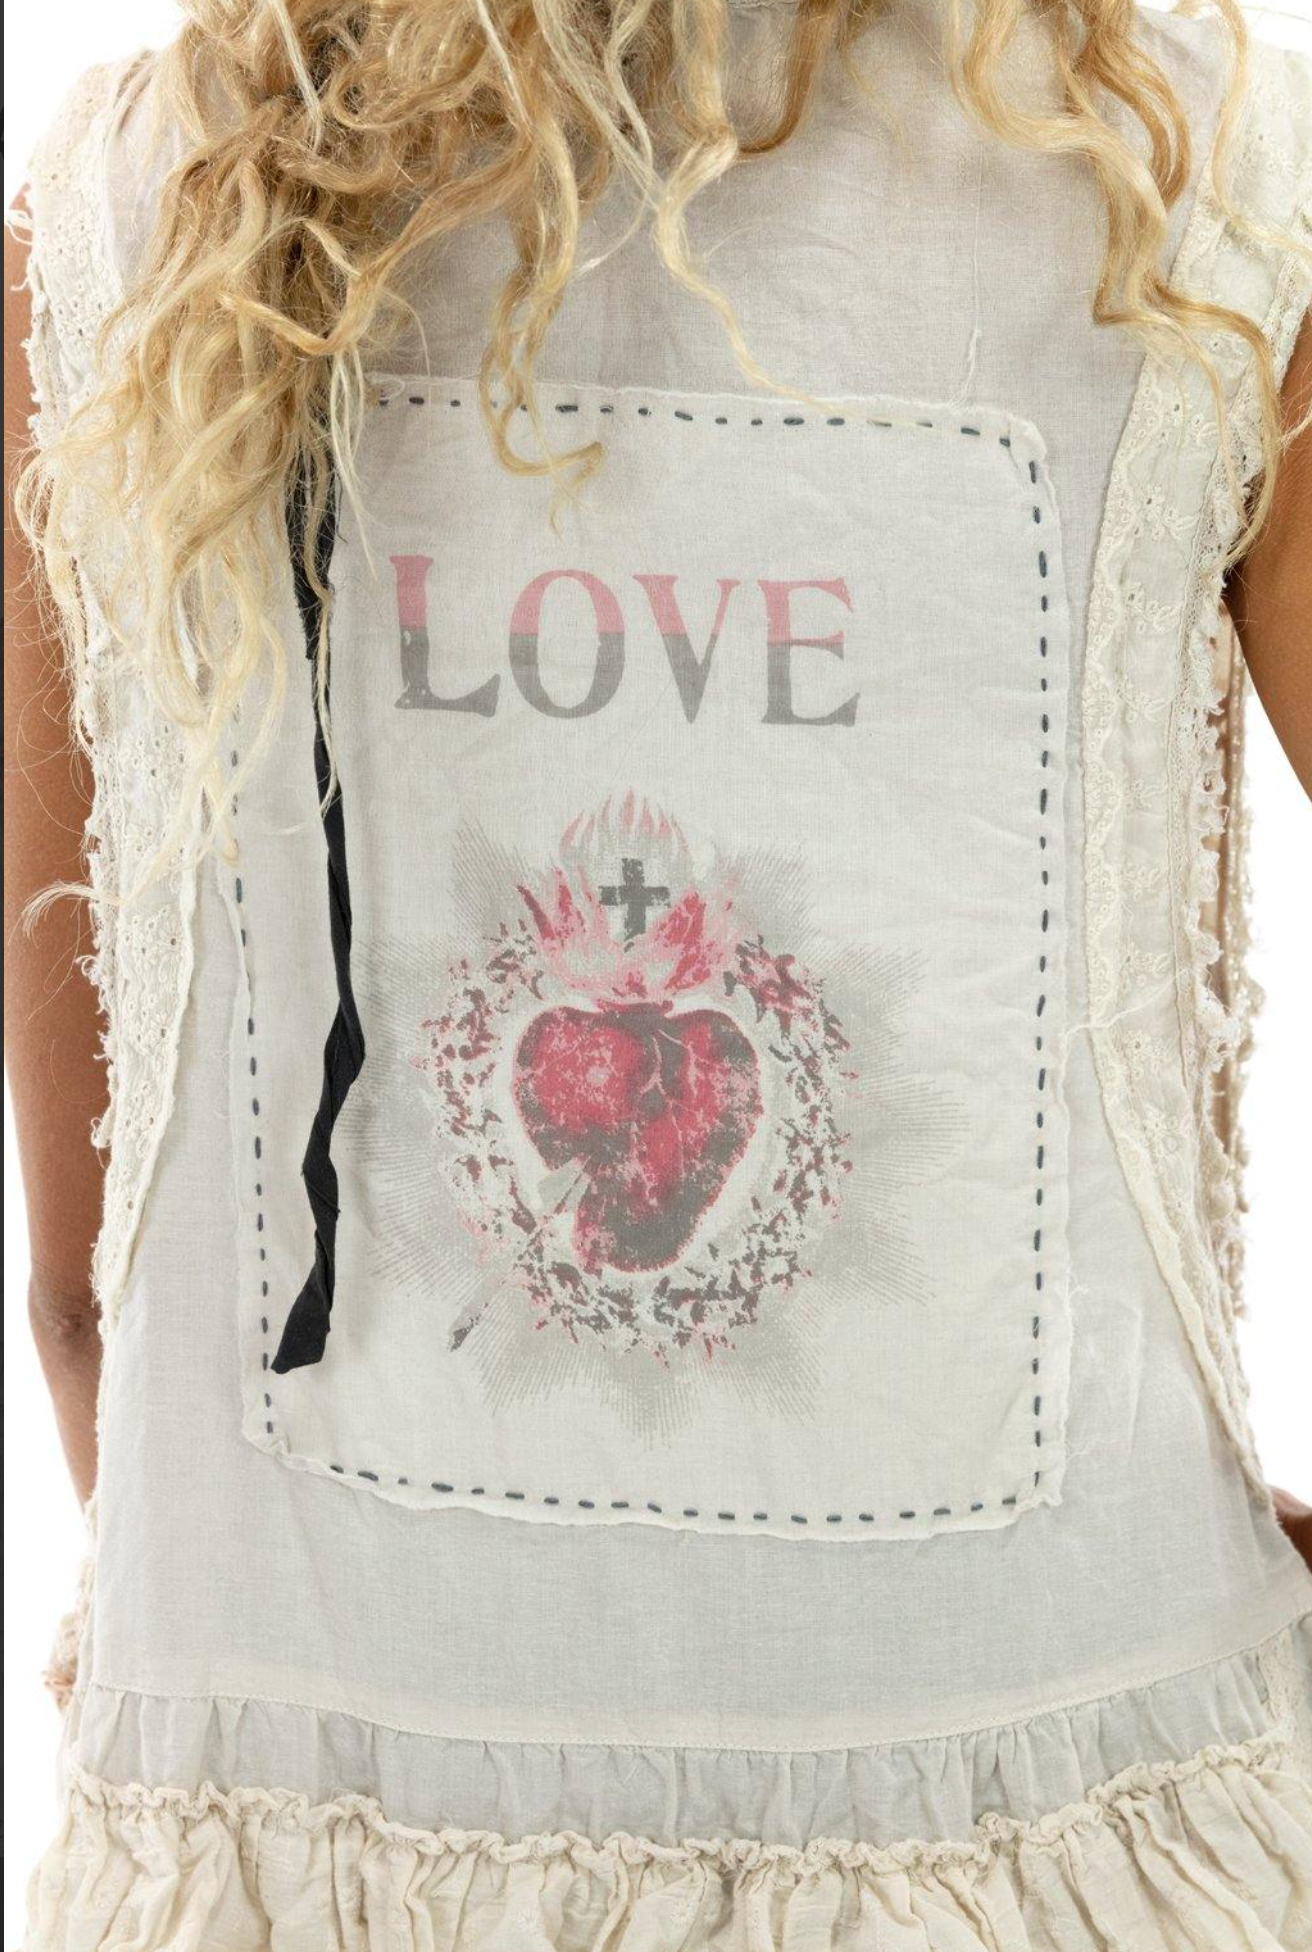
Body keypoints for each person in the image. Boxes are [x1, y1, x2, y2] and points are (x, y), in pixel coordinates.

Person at [5, 0, 1311, 1945]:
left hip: (296, 1851)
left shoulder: (137, 223)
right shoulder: (1184, 196)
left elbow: (87, 1299)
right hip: (1060, 1816)